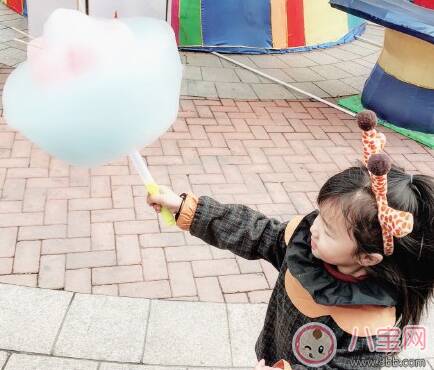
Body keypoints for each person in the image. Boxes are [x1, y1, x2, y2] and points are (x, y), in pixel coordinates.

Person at [147, 111, 434, 369]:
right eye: (319, 215)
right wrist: (187, 208)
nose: (314, 229)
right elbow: (252, 230)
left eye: (329, 230)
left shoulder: (369, 326)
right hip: (272, 355)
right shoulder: (304, 248)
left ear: (367, 258)